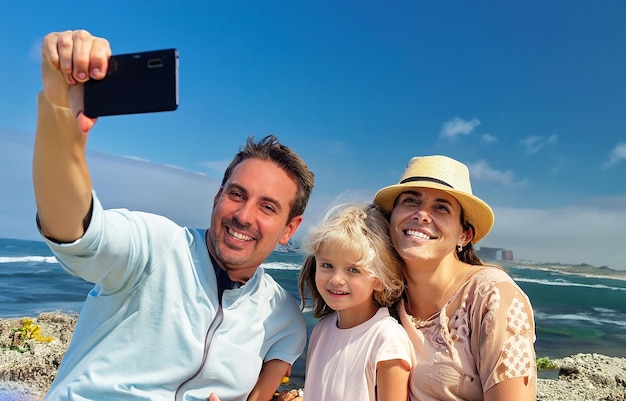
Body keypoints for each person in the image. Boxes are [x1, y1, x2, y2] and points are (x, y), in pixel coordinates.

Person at [33, 30, 315, 401]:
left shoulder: (284, 321)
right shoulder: (157, 246)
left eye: (267, 207)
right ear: (217, 197)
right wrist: (58, 113)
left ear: (289, 228)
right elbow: (75, 230)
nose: (243, 216)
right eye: (236, 194)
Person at [373, 155, 537, 401]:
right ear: (391, 220)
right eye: (410, 201)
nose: (421, 215)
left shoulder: (494, 297)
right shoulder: (382, 293)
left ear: (464, 236)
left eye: (441, 207)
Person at [298, 203, 413, 401]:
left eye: (353, 270)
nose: (336, 280)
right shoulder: (322, 329)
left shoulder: (387, 339)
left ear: (379, 279)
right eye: (327, 265)